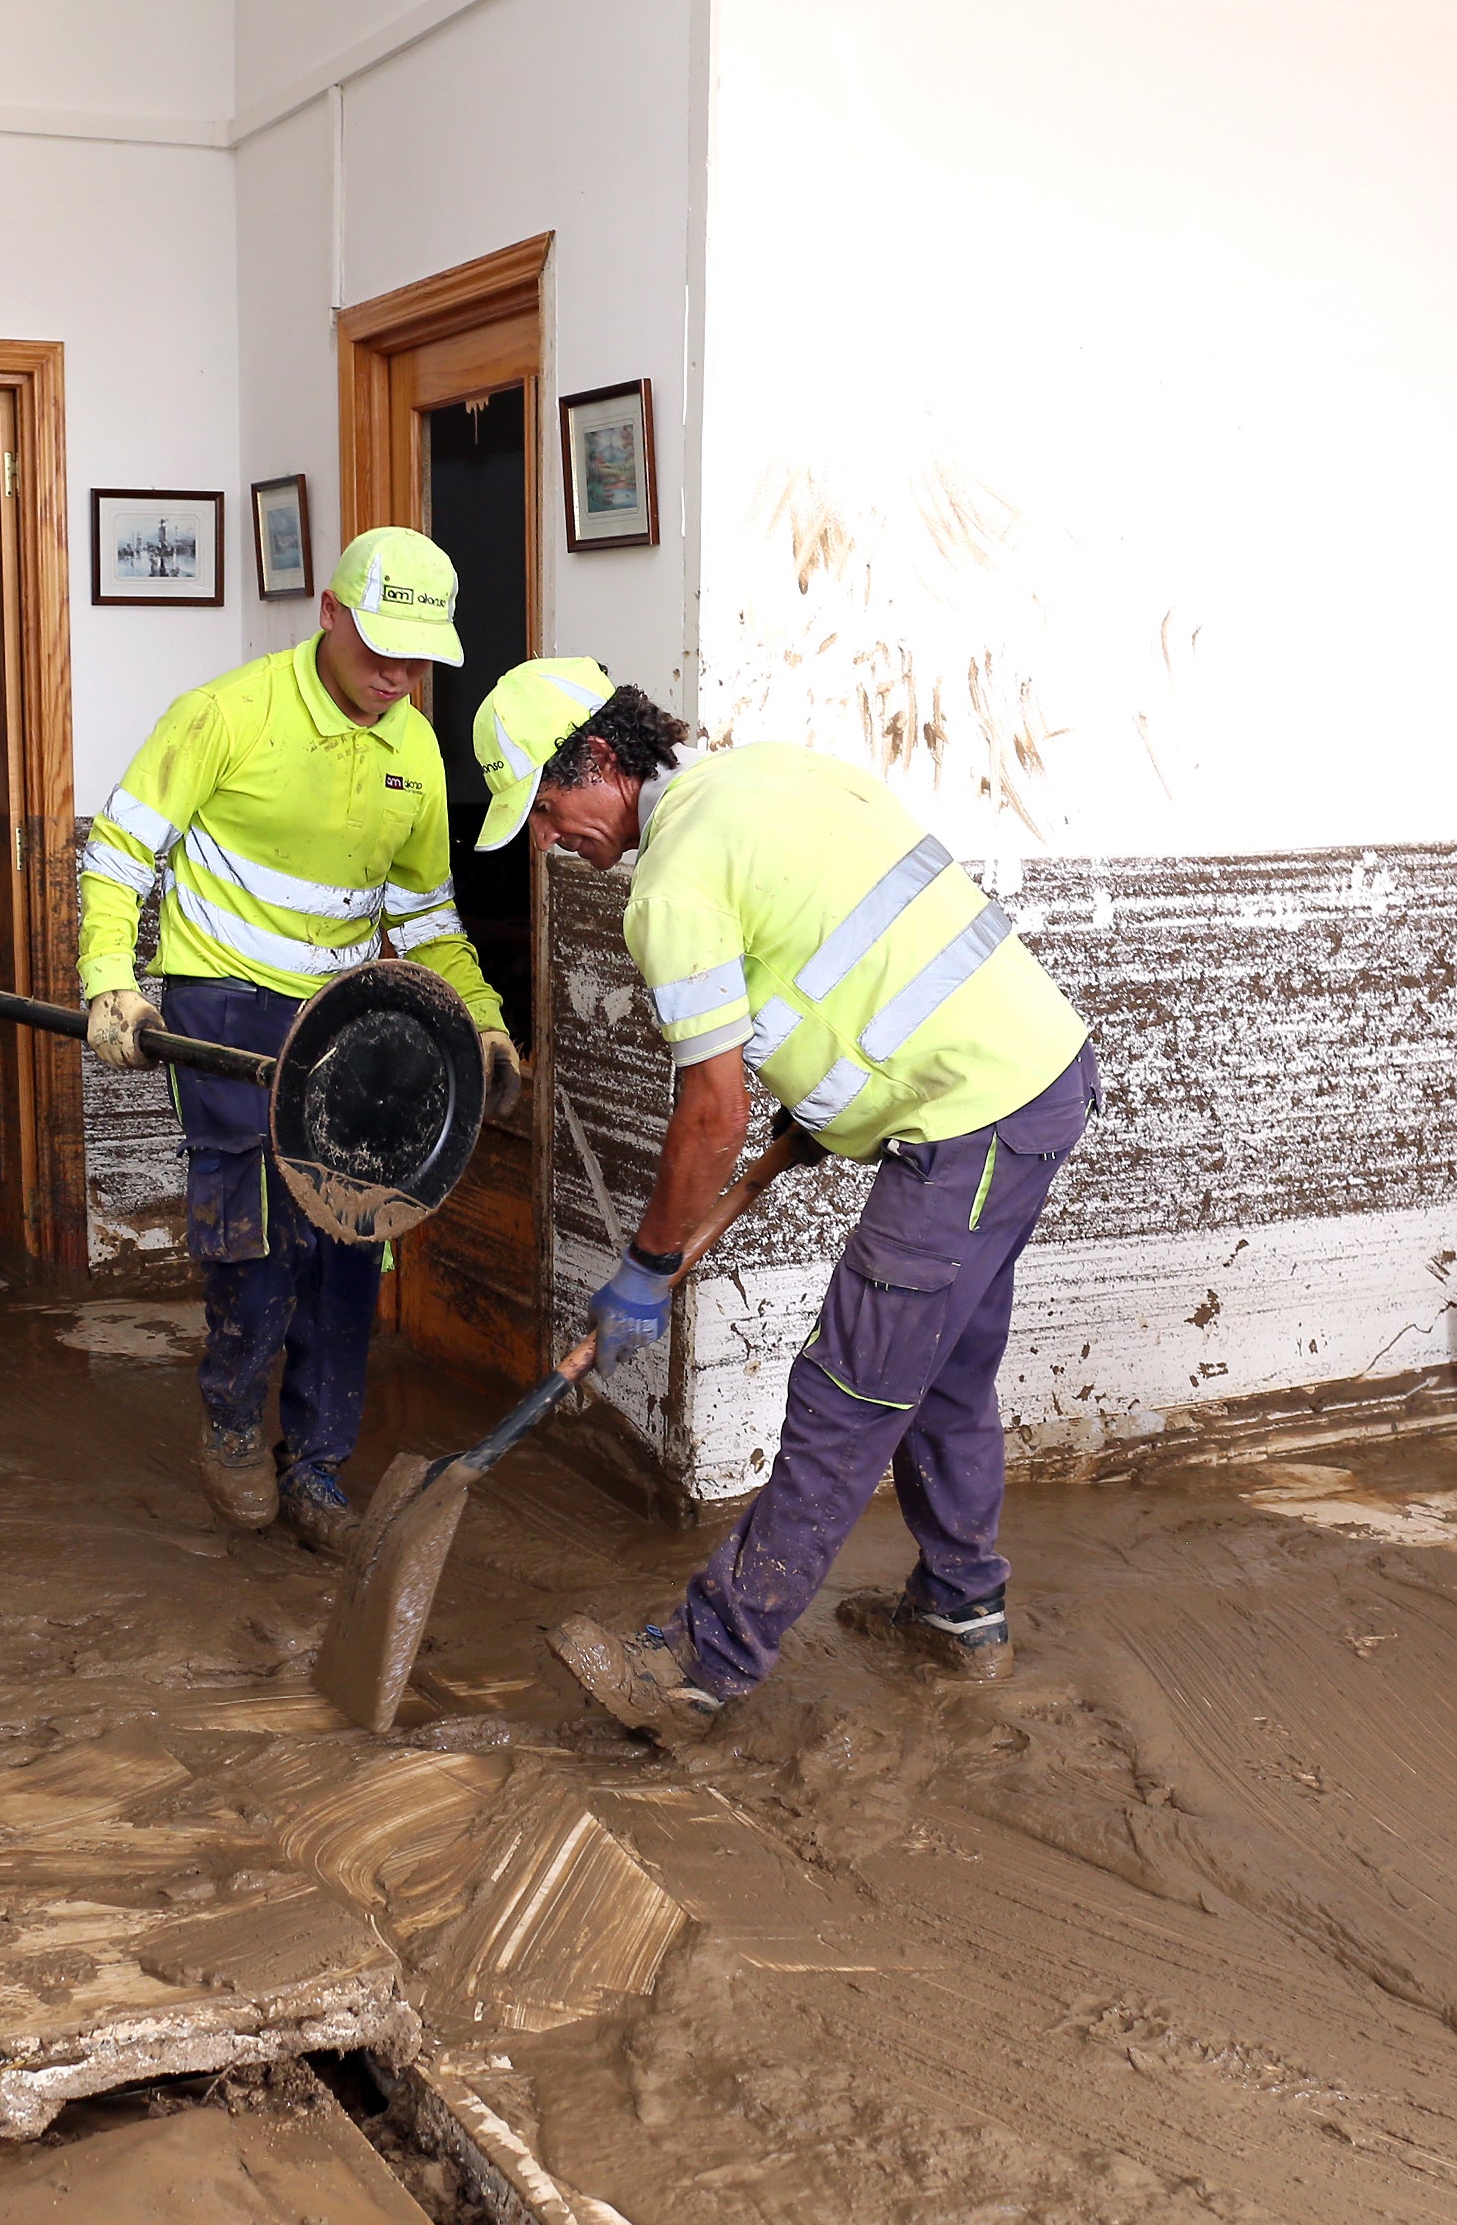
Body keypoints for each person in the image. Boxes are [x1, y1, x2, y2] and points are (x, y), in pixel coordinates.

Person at [465, 659, 1099, 1742]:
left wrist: (646, 1268)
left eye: (545, 806)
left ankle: (702, 1665)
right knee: (941, 1374)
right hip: (1036, 1079)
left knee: (845, 1395)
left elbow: (710, 1111)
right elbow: (857, 948)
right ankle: (959, 1609)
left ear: (606, 766)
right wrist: (830, 1108)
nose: (544, 837)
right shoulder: (769, 775)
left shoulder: (670, 885)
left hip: (968, 1124)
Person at [76, 527, 523, 1554]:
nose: (397, 678)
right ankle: (234, 1426)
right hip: (222, 1007)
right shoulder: (224, 716)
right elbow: (121, 855)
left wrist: (485, 1017)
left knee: (351, 1234)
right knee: (259, 1234)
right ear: (328, 613)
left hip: (344, 1022)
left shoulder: (412, 742)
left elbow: (423, 920)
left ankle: (317, 1463)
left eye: (419, 662)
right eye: (380, 651)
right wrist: (110, 983)